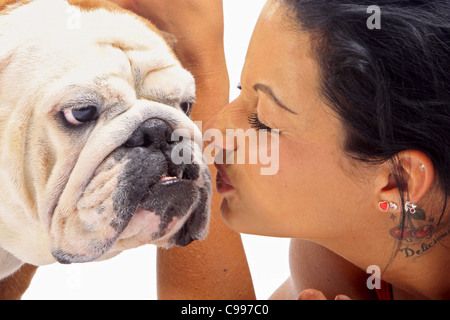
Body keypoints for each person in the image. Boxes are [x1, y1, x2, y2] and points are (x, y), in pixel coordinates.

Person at [113, 0, 450, 299]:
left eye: (263, 121)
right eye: (242, 88)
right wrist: (195, 61)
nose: (210, 135)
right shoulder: (342, 252)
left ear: (397, 181)